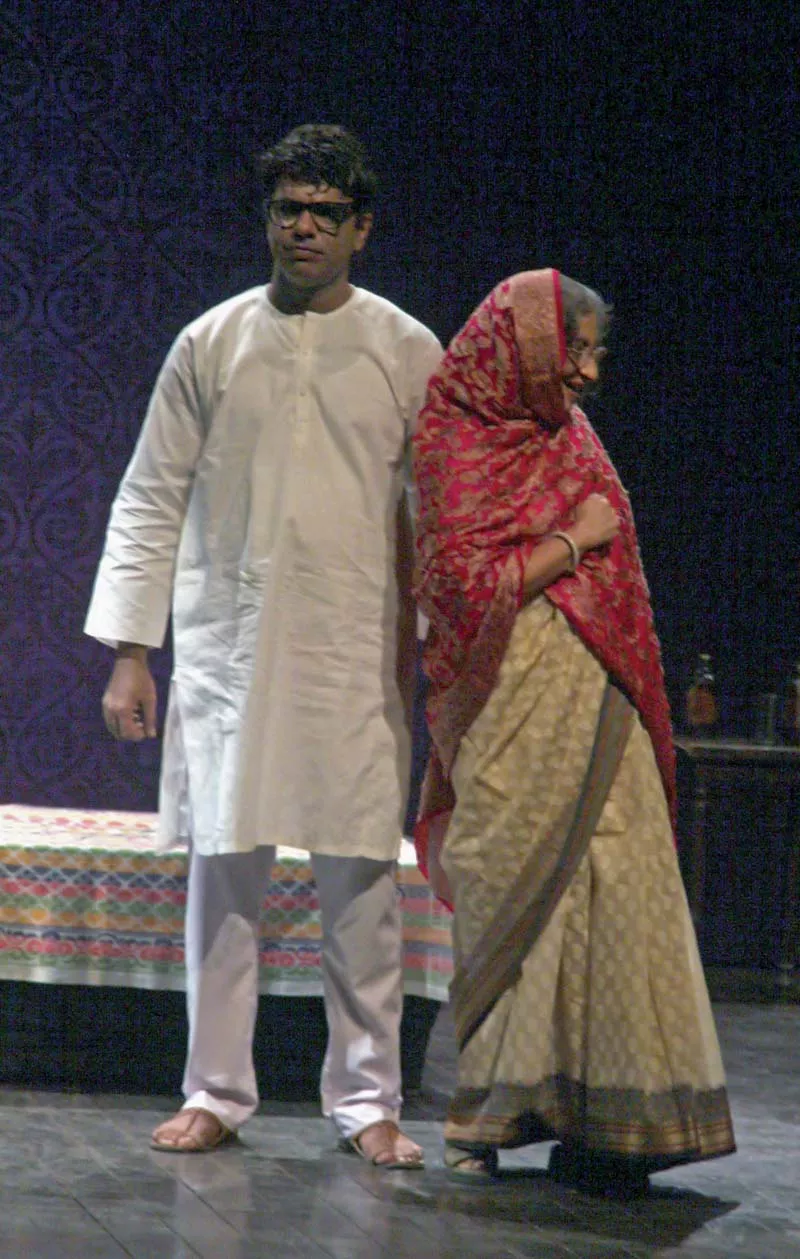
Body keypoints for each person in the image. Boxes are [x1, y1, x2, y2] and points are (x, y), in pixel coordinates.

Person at [84, 124, 442, 1165]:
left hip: (355, 649)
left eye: (325, 212)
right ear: (267, 219)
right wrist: (130, 649)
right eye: (288, 208)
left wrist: (444, 651)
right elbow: (150, 495)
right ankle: (214, 1090)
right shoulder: (212, 341)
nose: (303, 228)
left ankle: (367, 1099)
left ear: (361, 228)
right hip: (231, 648)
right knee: (224, 875)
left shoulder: (406, 350)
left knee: (361, 883)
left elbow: (439, 511)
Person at [412, 268, 735, 1194]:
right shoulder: (453, 435)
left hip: (601, 696)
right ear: (522, 346)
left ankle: (617, 1120)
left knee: (620, 881)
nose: (588, 372)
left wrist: (588, 547)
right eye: (574, 349)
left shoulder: (572, 436)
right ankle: (502, 1104)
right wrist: (574, 543)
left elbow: (621, 572)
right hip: (509, 700)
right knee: (521, 887)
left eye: (596, 352)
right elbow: (461, 589)